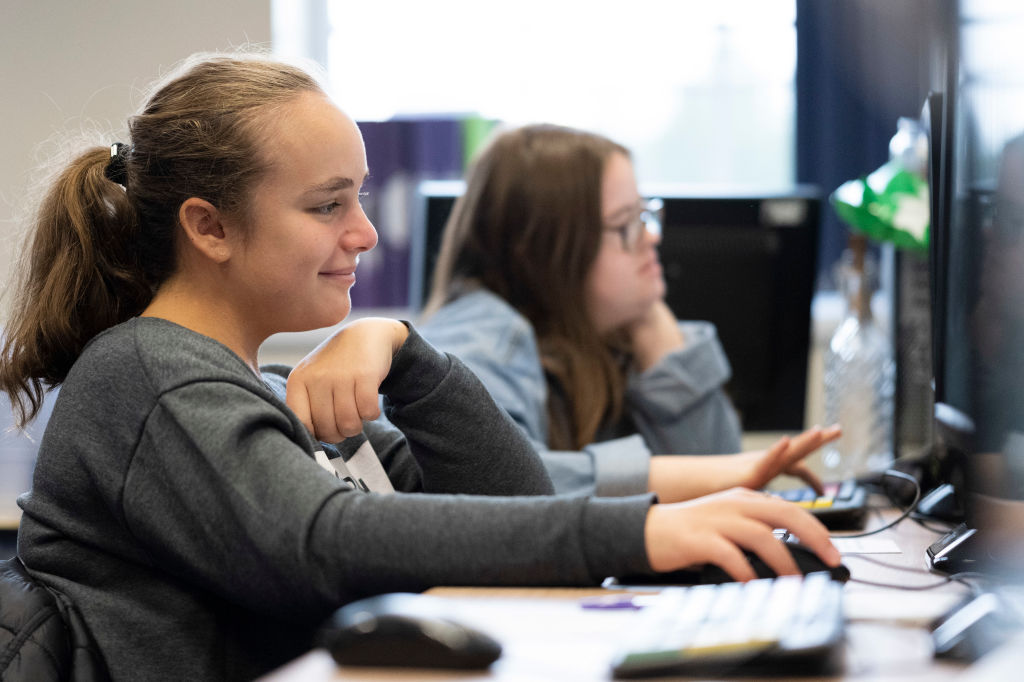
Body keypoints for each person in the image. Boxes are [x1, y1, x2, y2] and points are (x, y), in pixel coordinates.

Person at [0, 52, 840, 681]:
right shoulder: (146, 376)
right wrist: (642, 529)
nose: (363, 233)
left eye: (359, 198)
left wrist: (409, 355)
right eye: (328, 205)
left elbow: (514, 508)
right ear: (209, 228)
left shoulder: (260, 393)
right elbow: (323, 542)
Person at [421, 123, 839, 499]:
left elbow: (721, 486)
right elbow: (496, 481)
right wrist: (669, 476)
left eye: (646, 215)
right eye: (626, 225)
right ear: (545, 251)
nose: (651, 239)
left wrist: (651, 324)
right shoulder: (482, 330)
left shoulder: (600, 336)